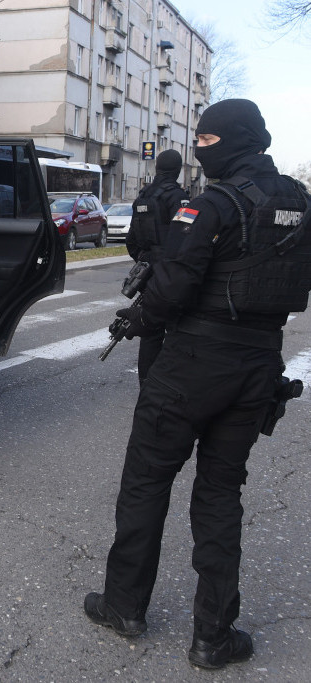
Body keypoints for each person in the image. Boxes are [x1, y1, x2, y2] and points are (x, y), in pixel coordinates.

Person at [84, 99, 311, 669]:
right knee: (219, 494)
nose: (201, 151)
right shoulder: (300, 203)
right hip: (258, 362)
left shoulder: (214, 203)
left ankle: (124, 605)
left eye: (207, 141)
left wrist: (139, 319)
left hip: (192, 363)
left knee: (146, 481)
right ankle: (214, 635)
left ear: (232, 141)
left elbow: (172, 288)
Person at [125, 150, 190, 382]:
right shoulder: (179, 197)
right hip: (170, 273)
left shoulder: (142, 196)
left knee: (150, 332)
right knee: (177, 331)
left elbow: (131, 240)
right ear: (178, 169)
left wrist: (145, 261)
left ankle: (147, 386)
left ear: (157, 169)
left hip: (147, 271)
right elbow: (187, 237)